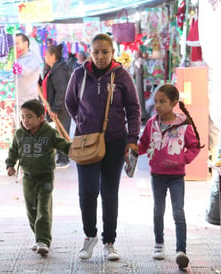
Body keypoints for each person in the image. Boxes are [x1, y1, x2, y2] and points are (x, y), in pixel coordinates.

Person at [65, 33, 141, 261]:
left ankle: (109, 242)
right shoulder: (79, 74)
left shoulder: (122, 75)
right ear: (90, 52)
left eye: (105, 52)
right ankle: (90, 236)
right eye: (96, 52)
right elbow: (70, 103)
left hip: (115, 142)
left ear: (113, 53)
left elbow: (133, 108)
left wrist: (132, 139)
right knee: (87, 192)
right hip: (86, 142)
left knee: (109, 193)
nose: (100, 56)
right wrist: (82, 121)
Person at [133, 83, 203, 269]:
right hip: (157, 176)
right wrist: (132, 152)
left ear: (173, 103)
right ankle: (159, 244)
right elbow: (143, 144)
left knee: (178, 212)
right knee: (158, 210)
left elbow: (194, 146)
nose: (157, 105)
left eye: (162, 102)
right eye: (156, 101)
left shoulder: (183, 123)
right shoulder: (151, 124)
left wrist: (183, 159)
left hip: (176, 177)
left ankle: (181, 250)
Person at [5, 99, 71, 257]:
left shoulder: (49, 132)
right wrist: (10, 165)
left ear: (41, 118)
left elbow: (63, 144)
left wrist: (77, 151)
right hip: (27, 177)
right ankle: (38, 236)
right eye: (22, 117)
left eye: (29, 117)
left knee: (43, 208)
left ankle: (43, 241)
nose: (25, 121)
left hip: (45, 177)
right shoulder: (19, 134)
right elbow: (13, 151)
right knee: (31, 209)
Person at [41, 43, 72, 168]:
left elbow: (62, 91)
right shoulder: (54, 68)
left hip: (61, 108)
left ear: (53, 56)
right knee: (57, 132)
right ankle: (60, 156)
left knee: (62, 132)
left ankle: (64, 158)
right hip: (56, 106)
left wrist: (55, 107)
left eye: (46, 55)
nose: (45, 58)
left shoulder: (59, 71)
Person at [15, 33, 42, 107]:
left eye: (17, 43)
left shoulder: (33, 58)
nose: (15, 46)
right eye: (14, 44)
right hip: (17, 100)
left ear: (26, 43)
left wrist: (14, 64)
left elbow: (25, 71)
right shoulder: (17, 59)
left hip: (29, 101)